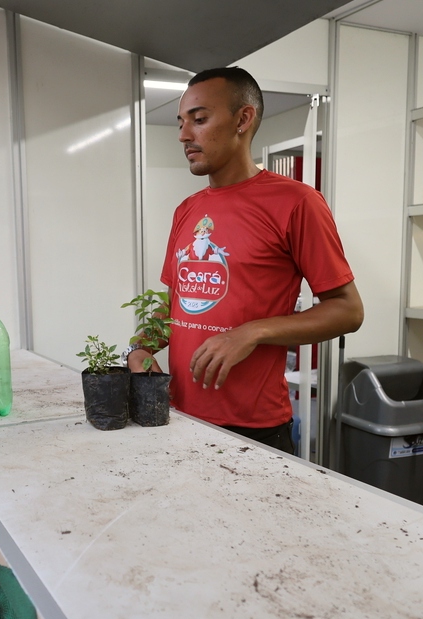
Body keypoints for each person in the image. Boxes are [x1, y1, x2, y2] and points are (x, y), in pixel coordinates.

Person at [126, 67, 364, 454]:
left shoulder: (297, 203)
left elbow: (348, 311)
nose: (184, 134)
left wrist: (252, 332)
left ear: (243, 119)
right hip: (177, 416)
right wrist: (139, 349)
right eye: (182, 122)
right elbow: (174, 305)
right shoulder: (187, 210)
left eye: (199, 119)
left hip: (253, 432)